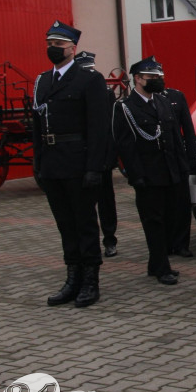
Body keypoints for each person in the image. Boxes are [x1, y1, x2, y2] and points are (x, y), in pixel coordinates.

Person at [32, 20, 110, 308]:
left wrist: (95, 167)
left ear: (72, 48)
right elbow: (37, 125)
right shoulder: (42, 81)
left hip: (78, 162)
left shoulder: (89, 79)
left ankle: (90, 280)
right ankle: (72, 278)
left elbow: (98, 128)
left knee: (84, 223)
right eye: (50, 44)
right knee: (65, 224)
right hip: (52, 163)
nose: (54, 49)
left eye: (59, 45)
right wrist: (37, 163)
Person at [112, 56, 187, 286]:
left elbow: (174, 138)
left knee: (168, 219)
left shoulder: (162, 102)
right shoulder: (124, 107)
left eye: (159, 77)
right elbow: (125, 145)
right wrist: (136, 175)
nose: (156, 80)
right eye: (151, 77)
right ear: (137, 79)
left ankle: (156, 264)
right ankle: (161, 267)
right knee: (153, 221)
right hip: (147, 174)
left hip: (169, 171)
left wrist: (182, 167)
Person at [74, 50, 119, 258]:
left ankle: (110, 240)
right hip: (80, 158)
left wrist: (110, 157)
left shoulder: (105, 92)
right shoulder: (73, 91)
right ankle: (86, 242)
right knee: (83, 205)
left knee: (106, 202)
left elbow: (109, 128)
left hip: (102, 158)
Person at [160, 83, 196, 258]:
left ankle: (182, 244)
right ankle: (166, 244)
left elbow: (188, 129)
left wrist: (191, 158)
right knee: (163, 206)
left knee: (182, 205)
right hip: (159, 161)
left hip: (178, 159)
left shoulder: (176, 96)